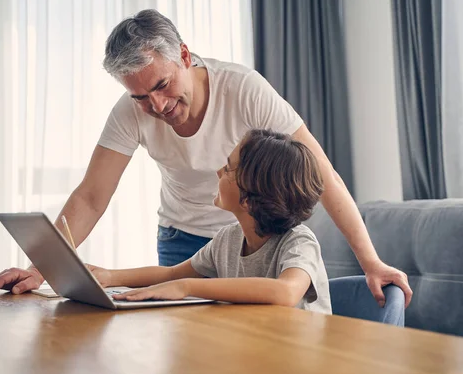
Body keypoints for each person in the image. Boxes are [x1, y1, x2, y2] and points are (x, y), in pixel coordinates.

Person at [0, 9, 412, 308]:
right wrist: (42, 269)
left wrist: (370, 261)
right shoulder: (131, 113)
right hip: (191, 244)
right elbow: (91, 197)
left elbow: (323, 173)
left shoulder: (244, 90)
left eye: (162, 85)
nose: (157, 105)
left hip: (261, 240)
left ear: (184, 55)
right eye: (140, 96)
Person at [88, 129, 331, 313]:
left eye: (228, 168)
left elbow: (286, 292)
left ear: (249, 198)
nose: (218, 172)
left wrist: (188, 287)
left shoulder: (299, 242)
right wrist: (110, 276)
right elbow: (171, 275)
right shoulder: (228, 239)